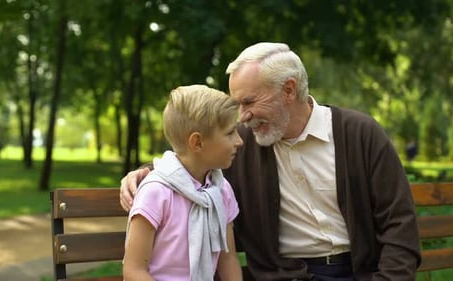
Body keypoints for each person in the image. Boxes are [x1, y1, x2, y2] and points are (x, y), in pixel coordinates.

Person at [120, 43, 421, 281]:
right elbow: (192, 157)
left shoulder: (359, 134)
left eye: (249, 102)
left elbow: (400, 227)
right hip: (284, 275)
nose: (242, 116)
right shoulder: (241, 144)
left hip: (356, 274)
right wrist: (146, 171)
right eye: (237, 105)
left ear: (289, 90)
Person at [122, 85, 244, 281]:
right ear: (197, 143)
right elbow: (134, 271)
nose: (239, 141)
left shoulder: (221, 190)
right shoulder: (156, 193)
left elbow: (227, 259)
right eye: (230, 133)